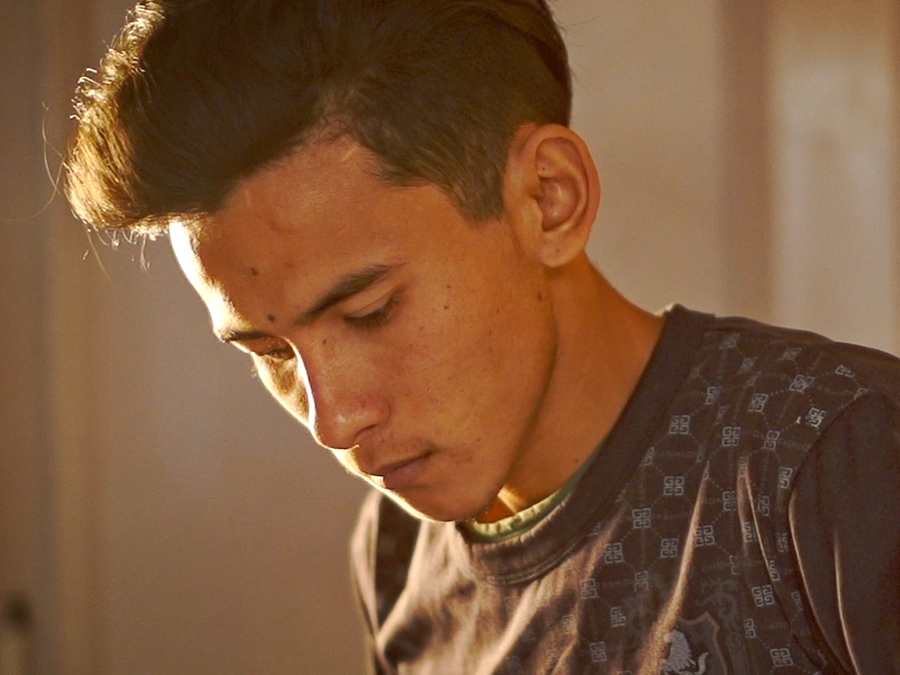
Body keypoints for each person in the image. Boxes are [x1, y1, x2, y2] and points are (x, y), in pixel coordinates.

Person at [64, 0, 900, 672]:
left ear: (549, 198)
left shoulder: (834, 456)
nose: (334, 422)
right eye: (271, 354)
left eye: (369, 313)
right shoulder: (396, 556)